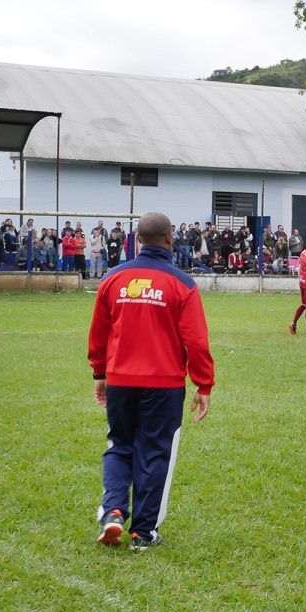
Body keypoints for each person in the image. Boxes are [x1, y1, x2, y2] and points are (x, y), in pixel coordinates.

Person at [88, 211, 214, 550]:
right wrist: (204, 385)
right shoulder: (182, 284)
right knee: (154, 453)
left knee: (120, 445)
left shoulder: (113, 279)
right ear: (171, 239)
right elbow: (197, 341)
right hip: (164, 384)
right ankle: (143, 533)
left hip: (120, 380)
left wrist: (100, 374)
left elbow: (98, 334)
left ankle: (113, 510)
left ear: (137, 239)